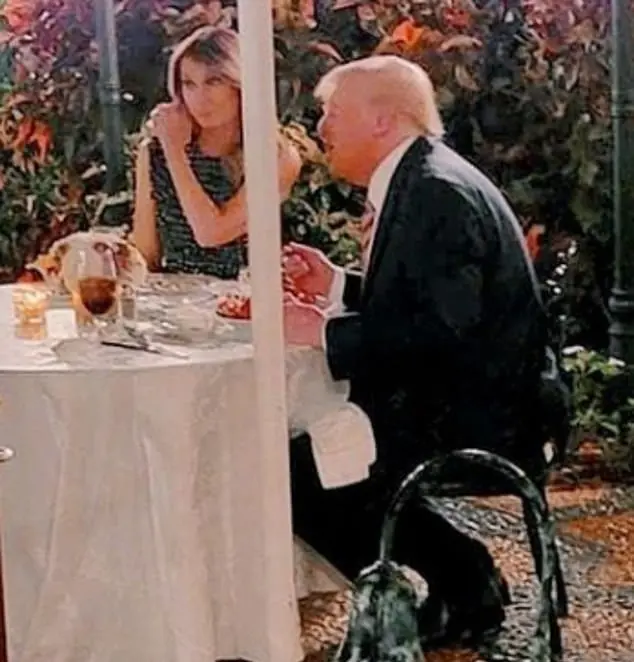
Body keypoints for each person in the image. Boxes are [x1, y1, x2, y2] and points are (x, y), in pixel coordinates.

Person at [282, 55, 552, 649]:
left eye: (333, 113)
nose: (321, 128)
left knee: (293, 472)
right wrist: (336, 285)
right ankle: (466, 578)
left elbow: (438, 335)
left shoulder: (435, 194)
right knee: (315, 455)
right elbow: (427, 302)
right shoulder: (423, 176)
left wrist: (321, 333)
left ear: (382, 120)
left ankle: (464, 581)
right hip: (467, 394)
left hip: (482, 414)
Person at [132, 25, 301, 278]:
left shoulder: (274, 155)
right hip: (174, 295)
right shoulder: (156, 151)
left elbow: (211, 233)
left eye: (214, 81)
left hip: (244, 294)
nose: (200, 98)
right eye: (189, 84)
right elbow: (146, 254)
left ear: (239, 85)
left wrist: (174, 152)